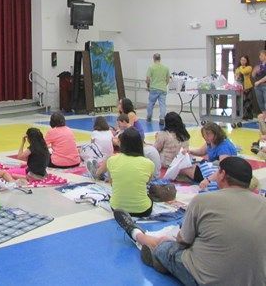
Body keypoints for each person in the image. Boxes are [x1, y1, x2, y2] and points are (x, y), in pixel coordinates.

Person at [113, 156, 266, 286]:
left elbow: (183, 242)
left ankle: (137, 234)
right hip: (254, 279)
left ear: (222, 174)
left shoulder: (204, 200)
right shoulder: (262, 203)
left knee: (165, 246)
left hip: (206, 279)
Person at [100, 128, 154, 217]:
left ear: (122, 143)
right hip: (142, 211)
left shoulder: (111, 160)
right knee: (150, 197)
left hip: (117, 208)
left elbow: (112, 183)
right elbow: (147, 182)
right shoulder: (149, 163)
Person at [146, 53, 170, 126]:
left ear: (153, 58)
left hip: (153, 88)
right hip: (163, 89)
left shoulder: (151, 67)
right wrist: (164, 85)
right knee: (162, 105)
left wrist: (148, 86)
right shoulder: (166, 68)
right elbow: (168, 79)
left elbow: (148, 79)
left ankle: (149, 117)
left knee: (151, 103)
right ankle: (162, 118)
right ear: (160, 58)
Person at [235, 54, 254, 119]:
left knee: (248, 102)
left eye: (244, 60)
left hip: (247, 87)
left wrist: (240, 68)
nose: (242, 61)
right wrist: (236, 76)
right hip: (240, 87)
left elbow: (243, 72)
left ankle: (248, 116)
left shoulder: (249, 67)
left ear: (246, 61)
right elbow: (236, 76)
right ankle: (241, 115)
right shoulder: (238, 68)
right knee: (241, 101)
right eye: (241, 60)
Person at [252, 50, 266, 115]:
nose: (260, 57)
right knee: (260, 103)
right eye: (260, 55)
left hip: (264, 85)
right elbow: (253, 76)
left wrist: (259, 81)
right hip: (258, 86)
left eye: (261, 55)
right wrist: (254, 72)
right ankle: (264, 116)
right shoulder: (259, 66)